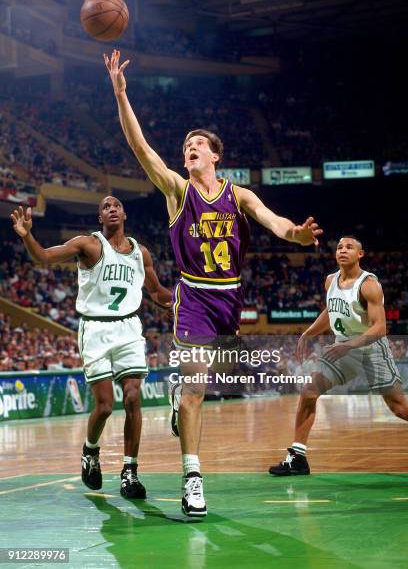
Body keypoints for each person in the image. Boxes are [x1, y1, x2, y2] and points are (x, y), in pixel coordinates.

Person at [104, 49, 323, 517]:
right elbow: (141, 149)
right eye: (185, 144)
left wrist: (297, 234)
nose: (189, 147)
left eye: (197, 143)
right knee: (197, 387)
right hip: (194, 297)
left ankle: (179, 398)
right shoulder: (177, 191)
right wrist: (122, 94)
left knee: (208, 384)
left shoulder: (238, 195)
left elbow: (275, 223)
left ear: (215, 155)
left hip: (230, 300)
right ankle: (193, 477)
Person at [10, 197, 172, 498]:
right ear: (100, 218)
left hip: (128, 327)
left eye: (116, 205)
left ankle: (130, 472)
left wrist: (181, 302)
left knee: (134, 397)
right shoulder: (88, 244)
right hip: (95, 328)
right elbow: (44, 257)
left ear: (124, 213)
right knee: (105, 406)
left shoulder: (141, 253)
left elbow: (156, 292)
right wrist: (27, 235)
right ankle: (90, 450)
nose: (111, 208)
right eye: (105, 207)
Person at [269, 236, 408, 476]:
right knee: (309, 391)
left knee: (398, 408)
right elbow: (330, 311)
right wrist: (308, 333)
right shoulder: (330, 281)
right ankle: (297, 458)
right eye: (339, 247)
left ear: (360, 254)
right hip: (342, 348)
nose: (343, 250)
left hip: (371, 349)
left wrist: (349, 346)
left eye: (349, 247)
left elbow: (379, 327)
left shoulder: (369, 284)